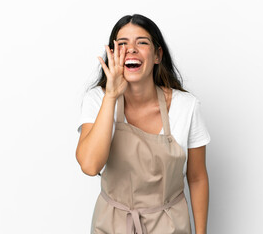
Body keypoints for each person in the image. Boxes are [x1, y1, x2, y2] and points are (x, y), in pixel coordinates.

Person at [76, 14, 211, 234]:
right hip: (111, 225)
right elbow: (90, 166)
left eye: (142, 42)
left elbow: (197, 177)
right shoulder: (97, 100)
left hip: (170, 226)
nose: (131, 49)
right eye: (122, 44)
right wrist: (111, 97)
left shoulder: (186, 107)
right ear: (112, 54)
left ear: (158, 55)